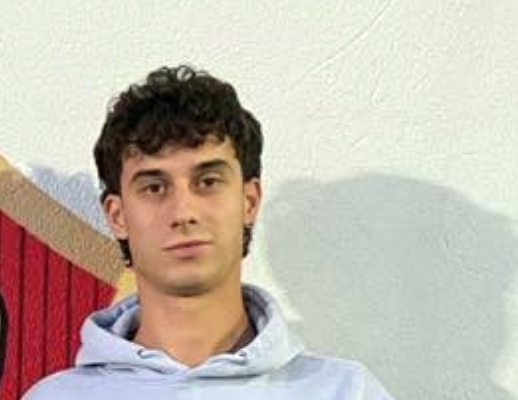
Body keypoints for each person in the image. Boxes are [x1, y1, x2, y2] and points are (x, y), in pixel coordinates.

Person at [22, 65, 393, 399]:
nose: (184, 213)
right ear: (117, 216)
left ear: (249, 201)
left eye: (208, 182)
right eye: (154, 187)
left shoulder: (347, 392)